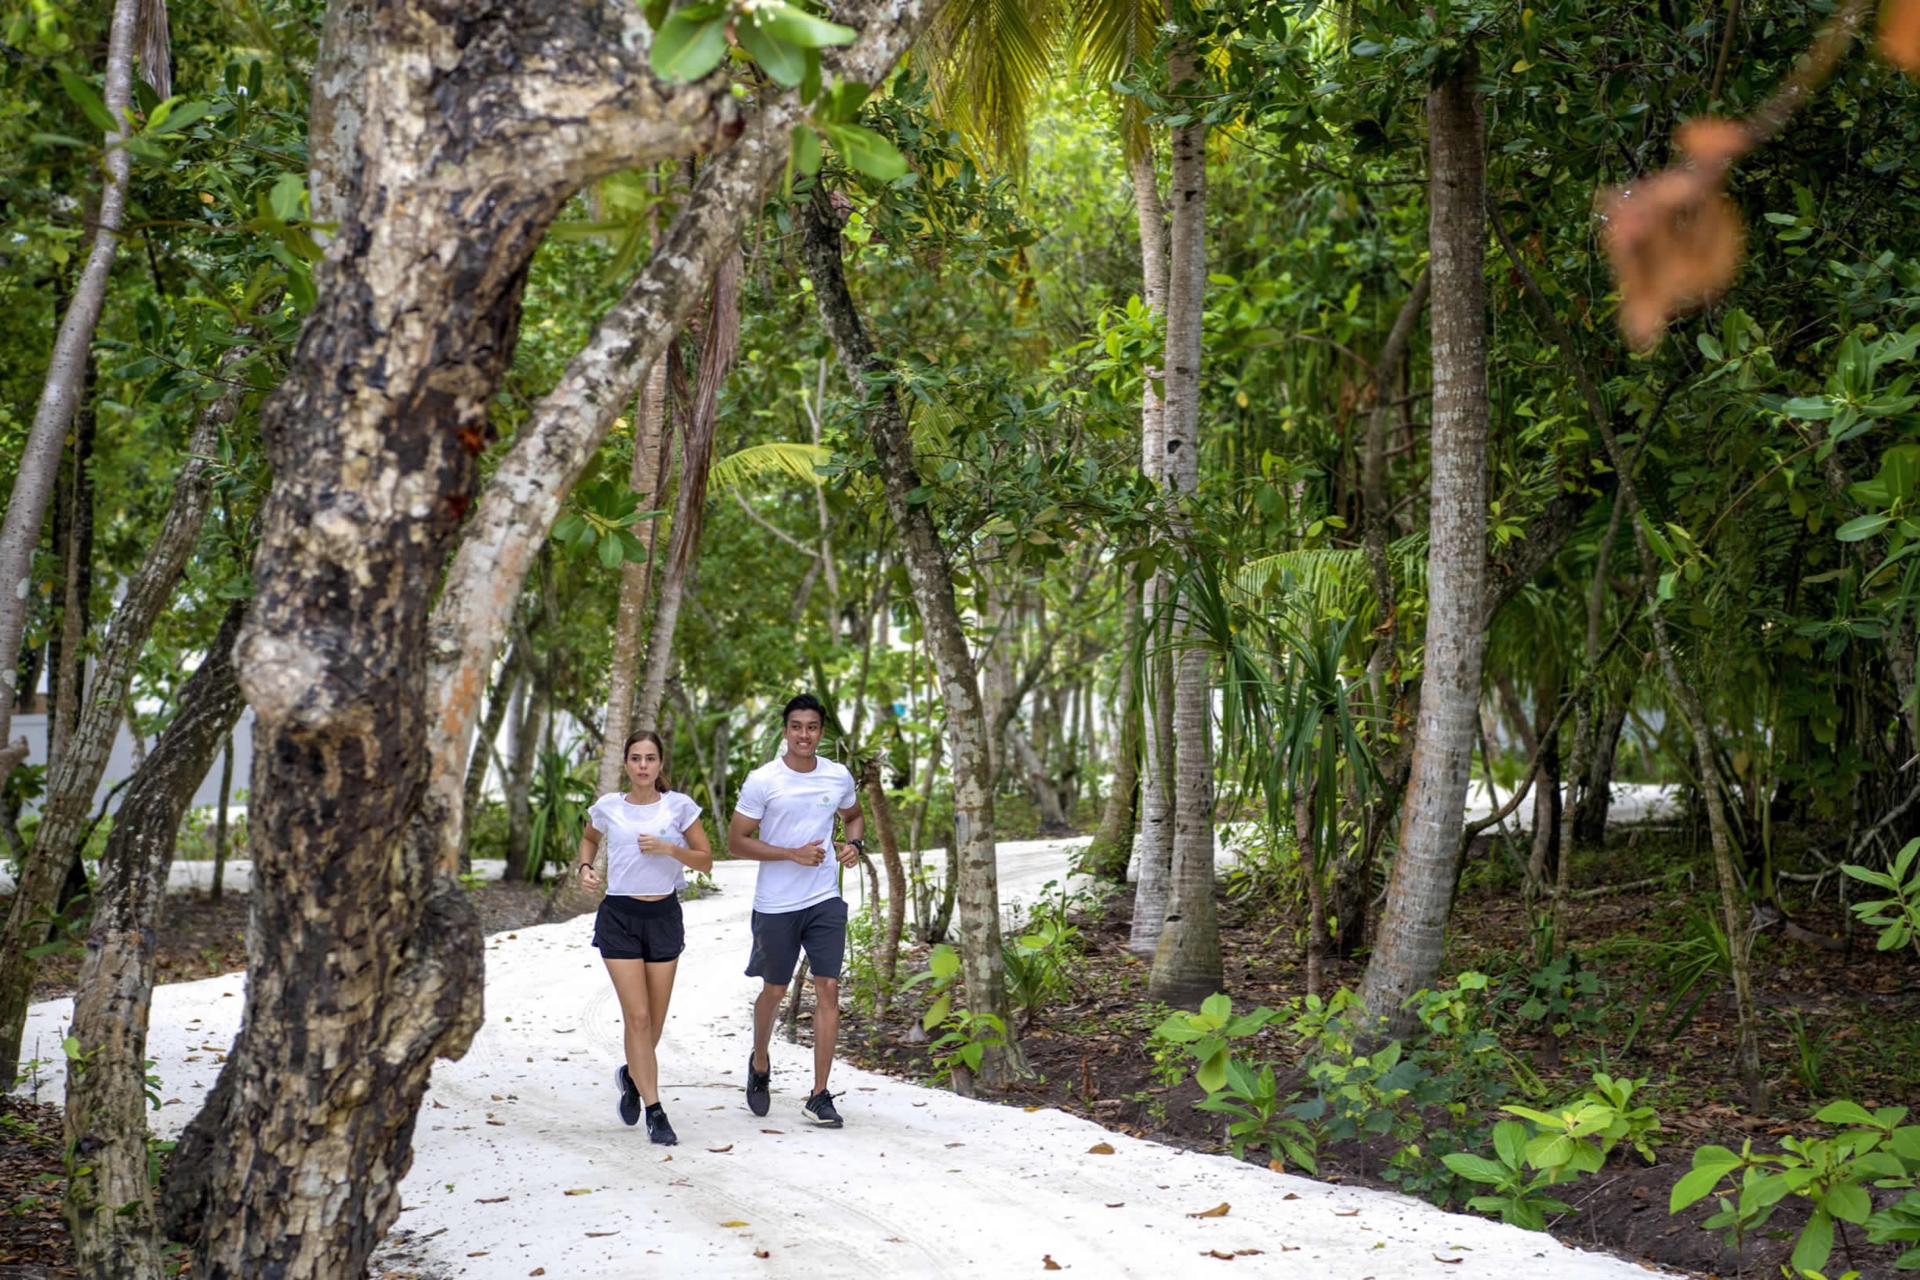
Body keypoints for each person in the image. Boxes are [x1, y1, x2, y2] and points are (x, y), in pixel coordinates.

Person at [727, 694, 865, 1128]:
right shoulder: (764, 780)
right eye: (796, 727)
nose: (804, 735)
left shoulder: (837, 776)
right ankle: (761, 1061)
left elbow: (855, 816)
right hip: (776, 904)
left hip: (824, 898)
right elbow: (736, 841)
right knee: (774, 991)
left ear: (821, 733)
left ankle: (820, 1094)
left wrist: (854, 845)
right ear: (785, 731)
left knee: (828, 987)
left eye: (812, 727)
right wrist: (789, 853)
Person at [575, 729, 712, 1145]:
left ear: (660, 764)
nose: (642, 766)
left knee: (652, 1023)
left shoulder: (679, 807)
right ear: (626, 764)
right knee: (636, 1017)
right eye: (635, 758)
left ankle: (632, 1077)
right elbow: (588, 838)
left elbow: (705, 861)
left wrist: (671, 850)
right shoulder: (608, 807)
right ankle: (656, 1111)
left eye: (650, 758)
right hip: (619, 916)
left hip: (664, 916)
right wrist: (585, 868)